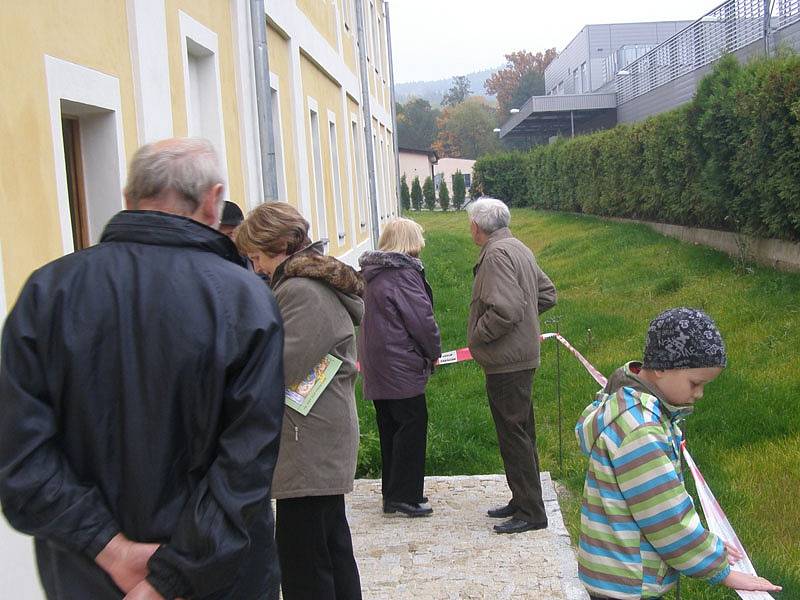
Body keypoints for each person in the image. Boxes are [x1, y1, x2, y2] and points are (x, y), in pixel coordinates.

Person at [0, 138, 285, 599]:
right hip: (219, 583)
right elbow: (244, 469)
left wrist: (111, 551)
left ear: (129, 198)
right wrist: (165, 579)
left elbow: (19, 461)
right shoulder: (244, 300)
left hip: (88, 579)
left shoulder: (47, 294)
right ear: (214, 202)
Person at [575, 307, 782, 600]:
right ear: (661, 367)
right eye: (695, 383)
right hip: (632, 581)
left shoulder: (622, 402)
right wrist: (719, 567)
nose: (699, 394)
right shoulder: (642, 430)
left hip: (614, 571)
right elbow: (666, 517)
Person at [235, 203, 364, 600]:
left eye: (255, 257)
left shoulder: (300, 292)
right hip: (316, 437)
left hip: (307, 442)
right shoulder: (307, 285)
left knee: (304, 564)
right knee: (329, 548)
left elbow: (277, 368)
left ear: (274, 246)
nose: (254, 268)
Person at [466, 197, 557, 535]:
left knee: (513, 436)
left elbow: (505, 309)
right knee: (521, 433)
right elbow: (547, 294)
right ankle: (523, 500)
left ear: (477, 226)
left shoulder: (495, 253)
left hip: (507, 361)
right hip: (519, 357)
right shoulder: (517, 246)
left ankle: (531, 512)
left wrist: (479, 335)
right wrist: (526, 324)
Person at [358, 218, 441, 518]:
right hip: (400, 363)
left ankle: (392, 493)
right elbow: (421, 321)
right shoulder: (404, 274)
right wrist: (434, 352)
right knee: (412, 426)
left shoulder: (373, 273)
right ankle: (406, 496)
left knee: (390, 428)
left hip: (378, 363)